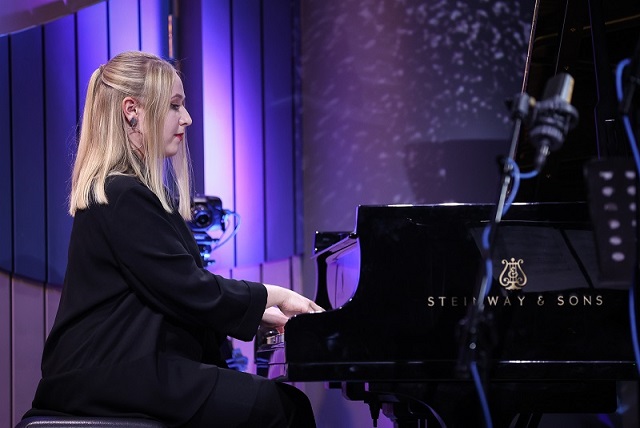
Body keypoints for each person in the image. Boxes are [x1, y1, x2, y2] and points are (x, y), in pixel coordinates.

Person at [23, 51, 322, 427]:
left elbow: (171, 290)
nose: (187, 118)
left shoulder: (128, 193)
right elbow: (187, 286)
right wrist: (274, 295)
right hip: (114, 372)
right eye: (175, 105)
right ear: (132, 111)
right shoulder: (122, 194)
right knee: (284, 410)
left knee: (277, 404)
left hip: (126, 367)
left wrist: (257, 314)